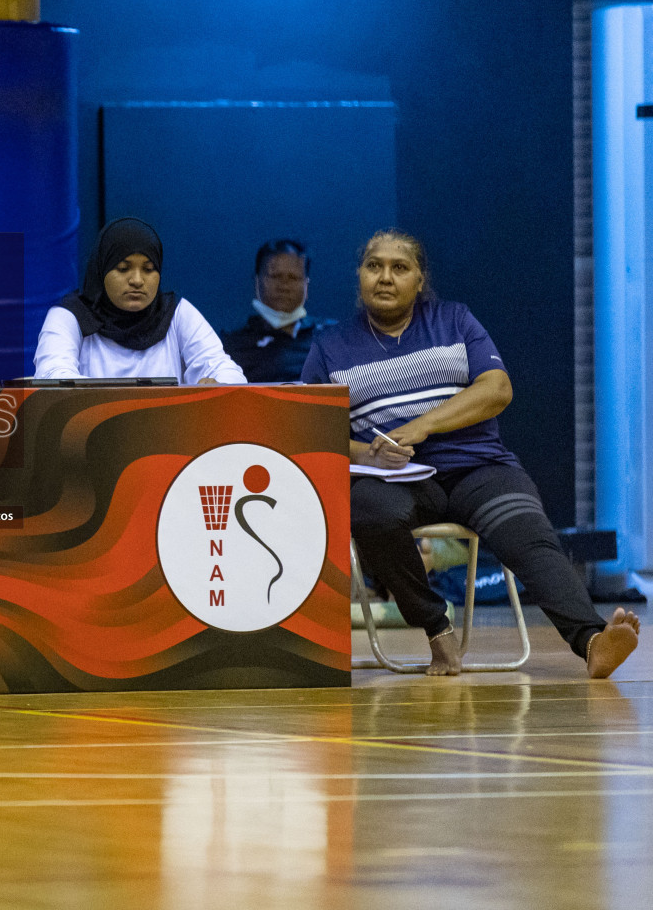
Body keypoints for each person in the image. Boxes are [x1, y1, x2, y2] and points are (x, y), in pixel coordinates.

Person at [301, 230, 640, 677]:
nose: (385, 277)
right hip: (394, 479)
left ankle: (593, 641)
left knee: (529, 535)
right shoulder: (330, 347)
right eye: (373, 266)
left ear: (420, 279)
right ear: (359, 275)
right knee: (368, 512)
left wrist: (419, 427)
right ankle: (437, 632)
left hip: (477, 467)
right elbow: (311, 427)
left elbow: (497, 389)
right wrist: (367, 453)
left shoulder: (454, 321)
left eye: (399, 268)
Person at [33, 217, 246, 384]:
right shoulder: (70, 316)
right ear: (102, 270)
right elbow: (53, 378)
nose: (137, 280)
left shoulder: (176, 313)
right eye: (123, 268)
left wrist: (219, 383)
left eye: (148, 269)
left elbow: (225, 369)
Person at [221, 239, 337, 382]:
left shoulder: (333, 338)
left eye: (293, 277)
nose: (284, 286)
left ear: (307, 285)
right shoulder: (229, 345)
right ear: (257, 281)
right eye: (275, 276)